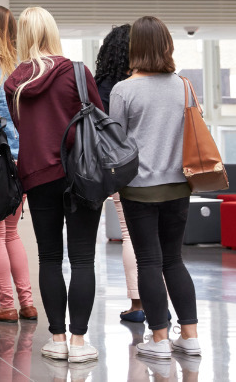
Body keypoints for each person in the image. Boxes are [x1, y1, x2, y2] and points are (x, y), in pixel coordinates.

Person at [4, 6, 105, 364]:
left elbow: (23, 129)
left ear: (23, 37)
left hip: (37, 176)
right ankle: (79, 341)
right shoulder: (76, 72)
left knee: (48, 258)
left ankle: (57, 338)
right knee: (81, 258)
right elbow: (98, 118)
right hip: (82, 174)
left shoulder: (14, 83)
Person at [111, 16, 202, 361]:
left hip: (139, 188)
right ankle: (190, 335)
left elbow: (115, 143)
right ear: (167, 46)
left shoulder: (124, 90)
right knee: (174, 260)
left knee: (149, 261)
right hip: (179, 185)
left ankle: (160, 338)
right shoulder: (183, 86)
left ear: (135, 47)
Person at [0, 5, 37, 323]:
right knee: (12, 233)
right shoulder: (26, 67)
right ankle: (27, 303)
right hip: (23, 158)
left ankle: (6, 304)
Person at [94, 24, 146, 324]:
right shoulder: (153, 82)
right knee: (154, 240)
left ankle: (137, 303)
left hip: (119, 168)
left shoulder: (103, 85)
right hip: (158, 172)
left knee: (129, 235)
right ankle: (156, 302)